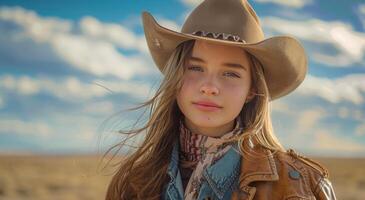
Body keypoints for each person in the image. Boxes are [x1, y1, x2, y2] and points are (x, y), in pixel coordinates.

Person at [104, 0, 337, 199]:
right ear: (176, 75)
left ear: (252, 90)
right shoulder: (133, 183)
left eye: (230, 73)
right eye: (195, 68)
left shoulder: (303, 187)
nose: (209, 87)